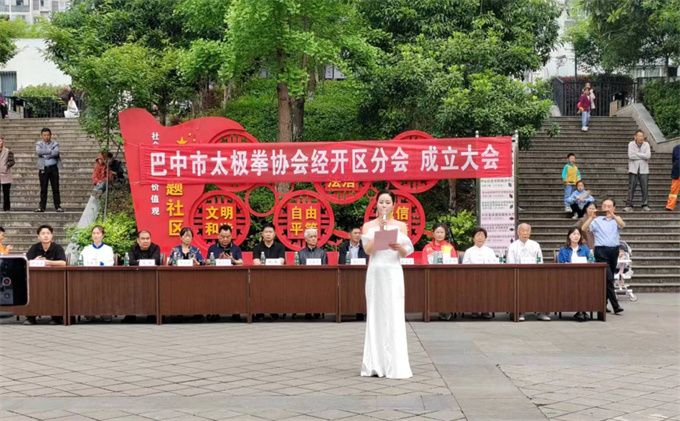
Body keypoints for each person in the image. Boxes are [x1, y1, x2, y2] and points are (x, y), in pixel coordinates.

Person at [360, 190, 413, 379]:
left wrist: (400, 248)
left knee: (393, 313)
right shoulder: (369, 226)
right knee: (375, 313)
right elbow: (368, 250)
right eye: (381, 202)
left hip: (393, 271)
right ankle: (375, 363)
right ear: (376, 204)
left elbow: (406, 252)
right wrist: (380, 232)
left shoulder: (401, 226)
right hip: (376, 271)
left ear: (393, 205)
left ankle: (395, 364)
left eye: (387, 202)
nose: (384, 205)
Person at [582, 197, 625, 315]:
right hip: (601, 251)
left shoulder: (616, 219)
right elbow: (584, 228)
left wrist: (613, 215)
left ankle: (603, 304)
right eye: (604, 206)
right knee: (609, 278)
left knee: (607, 279)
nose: (606, 208)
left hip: (614, 251)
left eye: (609, 206)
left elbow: (623, 225)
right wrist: (591, 217)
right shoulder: (597, 220)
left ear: (614, 208)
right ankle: (616, 306)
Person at [24, 225, 67, 325]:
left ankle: (56, 317)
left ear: (52, 235)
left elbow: (63, 263)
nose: (46, 236)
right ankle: (31, 317)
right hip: (36, 280)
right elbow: (25, 262)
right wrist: (34, 261)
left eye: (48, 233)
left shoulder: (57, 248)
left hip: (55, 279)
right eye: (43, 234)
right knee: (32, 291)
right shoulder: (34, 248)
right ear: (38, 236)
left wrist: (48, 262)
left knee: (56, 291)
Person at [506, 223, 548, 321]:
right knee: (518, 285)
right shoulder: (512, 246)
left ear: (530, 232)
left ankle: (541, 312)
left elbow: (540, 261)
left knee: (544, 284)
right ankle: (520, 312)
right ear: (518, 232)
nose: (525, 233)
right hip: (518, 275)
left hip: (534, 275)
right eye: (523, 231)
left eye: (527, 231)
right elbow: (510, 263)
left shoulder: (535, 245)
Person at [556, 227, 592, 322]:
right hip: (568, 277)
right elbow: (560, 264)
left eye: (578, 234)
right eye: (574, 234)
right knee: (578, 286)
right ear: (569, 236)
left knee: (584, 285)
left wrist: (589, 261)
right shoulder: (563, 249)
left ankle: (581, 311)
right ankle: (581, 311)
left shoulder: (585, 248)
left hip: (584, 276)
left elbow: (592, 261)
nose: (576, 236)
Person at [338, 226, 368, 321]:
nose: (358, 235)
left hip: (361, 274)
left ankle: (360, 311)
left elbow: (366, 261)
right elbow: (342, 262)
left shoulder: (364, 246)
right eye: (355, 233)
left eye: (359, 233)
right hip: (347, 274)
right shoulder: (344, 247)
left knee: (361, 286)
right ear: (349, 235)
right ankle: (346, 309)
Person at [35, 127, 63, 213]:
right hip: (43, 168)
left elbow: (56, 152)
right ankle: (42, 207)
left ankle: (58, 206)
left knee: (55, 188)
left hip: (54, 168)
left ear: (51, 135)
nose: (46, 137)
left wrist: (46, 153)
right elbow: (39, 152)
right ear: (41, 135)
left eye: (48, 135)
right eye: (44, 135)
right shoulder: (39, 143)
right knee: (43, 188)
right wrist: (50, 151)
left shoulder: (55, 143)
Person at [625, 130, 651, 212]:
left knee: (645, 188)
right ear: (635, 137)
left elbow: (648, 156)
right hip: (633, 169)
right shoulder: (631, 144)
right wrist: (642, 156)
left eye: (642, 136)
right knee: (631, 187)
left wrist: (636, 154)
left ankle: (645, 205)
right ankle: (629, 205)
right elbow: (631, 156)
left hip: (644, 170)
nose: (641, 138)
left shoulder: (646, 144)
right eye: (639, 136)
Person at [0, 135, 14, 211]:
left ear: (3, 141)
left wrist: (6, 166)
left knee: (6, 193)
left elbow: (12, 161)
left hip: (5, 174)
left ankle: (6, 208)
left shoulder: (8, 151)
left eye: (0, 141)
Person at [665, 144, 680, 211]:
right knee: (673, 190)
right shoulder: (676, 148)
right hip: (677, 172)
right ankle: (670, 206)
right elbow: (673, 160)